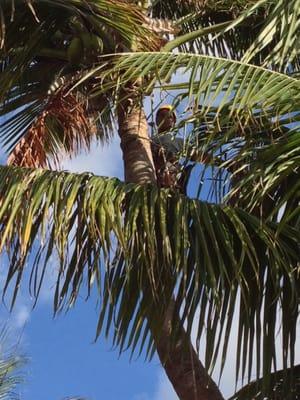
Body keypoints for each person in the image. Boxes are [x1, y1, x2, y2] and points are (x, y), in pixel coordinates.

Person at [151, 105, 192, 193]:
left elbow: (199, 155)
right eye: (162, 115)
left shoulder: (179, 142)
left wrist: (224, 164)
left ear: (173, 122)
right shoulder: (149, 140)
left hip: (171, 181)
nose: (166, 118)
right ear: (157, 120)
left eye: (169, 116)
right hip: (150, 178)